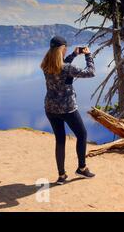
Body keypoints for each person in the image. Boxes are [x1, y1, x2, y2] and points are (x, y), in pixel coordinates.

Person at [40, 35, 96, 185]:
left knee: (60, 140)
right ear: (62, 49)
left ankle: (61, 175)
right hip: (67, 108)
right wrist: (88, 55)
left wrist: (74, 55)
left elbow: (61, 66)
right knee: (82, 134)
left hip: (51, 108)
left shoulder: (46, 65)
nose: (67, 51)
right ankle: (82, 168)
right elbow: (91, 72)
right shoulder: (66, 68)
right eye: (66, 49)